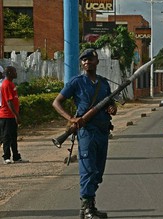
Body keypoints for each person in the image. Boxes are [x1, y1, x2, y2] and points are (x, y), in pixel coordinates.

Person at [52, 48, 117, 218]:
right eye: (83, 60)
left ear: (97, 61)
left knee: (98, 171)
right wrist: (71, 119)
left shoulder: (104, 84)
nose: (86, 62)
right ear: (81, 63)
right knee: (87, 169)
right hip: (86, 131)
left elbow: (111, 103)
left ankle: (90, 207)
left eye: (90, 59)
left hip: (103, 131)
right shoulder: (76, 82)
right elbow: (56, 102)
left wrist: (112, 108)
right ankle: (87, 208)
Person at [1, 66, 27, 164]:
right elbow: (9, 102)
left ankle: (16, 157)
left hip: (11, 115)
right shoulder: (6, 84)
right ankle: (6, 157)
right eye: (14, 71)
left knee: (13, 137)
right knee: (6, 137)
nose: (16, 73)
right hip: (6, 116)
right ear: (9, 73)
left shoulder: (11, 84)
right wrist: (16, 115)